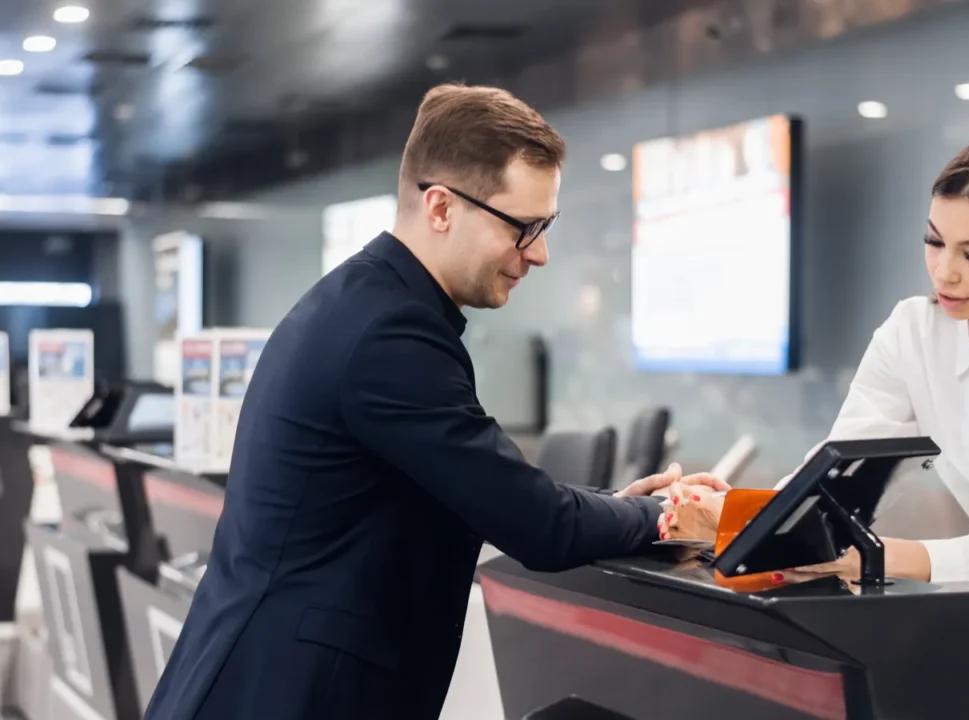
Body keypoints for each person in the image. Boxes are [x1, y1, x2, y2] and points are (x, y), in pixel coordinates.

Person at [145, 83, 727, 720]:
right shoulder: (389, 335)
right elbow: (539, 525)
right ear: (442, 207)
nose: (539, 252)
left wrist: (620, 510)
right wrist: (679, 514)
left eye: (546, 225)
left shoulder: (366, 303)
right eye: (523, 227)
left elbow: (490, 494)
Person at [661, 136, 969, 719]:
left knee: (941, 663)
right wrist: (734, 514)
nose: (945, 271)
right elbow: (838, 466)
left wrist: (875, 558)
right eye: (934, 241)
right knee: (894, 660)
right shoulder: (913, 333)